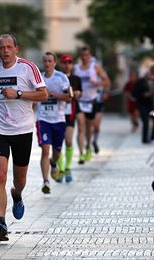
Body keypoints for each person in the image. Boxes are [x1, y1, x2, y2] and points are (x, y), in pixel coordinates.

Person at [0, 34, 48, 241]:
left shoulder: (28, 68)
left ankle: (17, 194)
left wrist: (18, 94)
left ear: (16, 49)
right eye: (2, 47)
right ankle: (1, 222)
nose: (6, 51)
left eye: (9, 47)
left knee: (20, 180)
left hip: (22, 131)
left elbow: (43, 94)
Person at [36, 52, 71, 193]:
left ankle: (54, 162)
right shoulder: (38, 78)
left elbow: (69, 97)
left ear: (55, 63)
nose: (47, 63)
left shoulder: (61, 78)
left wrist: (53, 95)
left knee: (56, 151)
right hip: (43, 119)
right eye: (45, 61)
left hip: (59, 120)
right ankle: (46, 182)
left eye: (50, 61)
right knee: (45, 149)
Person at [74, 47, 110, 163]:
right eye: (82, 55)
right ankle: (81, 154)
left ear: (89, 56)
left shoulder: (95, 67)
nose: (84, 57)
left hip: (91, 101)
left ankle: (88, 146)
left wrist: (97, 83)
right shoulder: (76, 68)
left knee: (89, 128)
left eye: (87, 55)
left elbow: (107, 81)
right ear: (80, 56)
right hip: (79, 101)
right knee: (80, 127)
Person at [57, 54, 82, 182]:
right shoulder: (57, 77)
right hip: (57, 114)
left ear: (72, 64)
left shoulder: (76, 79)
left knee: (69, 141)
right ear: (61, 64)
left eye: (70, 62)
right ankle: (60, 169)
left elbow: (79, 93)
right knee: (58, 143)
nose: (67, 65)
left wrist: (77, 93)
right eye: (65, 62)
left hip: (70, 113)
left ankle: (67, 167)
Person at [132, 65, 154, 143]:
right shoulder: (140, 82)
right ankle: (145, 139)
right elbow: (134, 93)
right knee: (145, 121)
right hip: (142, 104)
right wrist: (143, 95)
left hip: (151, 105)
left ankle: (153, 137)